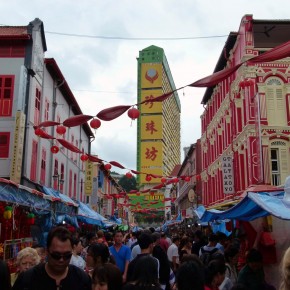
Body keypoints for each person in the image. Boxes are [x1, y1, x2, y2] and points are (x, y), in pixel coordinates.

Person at [12, 226, 91, 290]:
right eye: (56, 255)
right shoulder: (27, 279)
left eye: (67, 255)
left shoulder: (82, 279)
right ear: (47, 252)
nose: (61, 259)